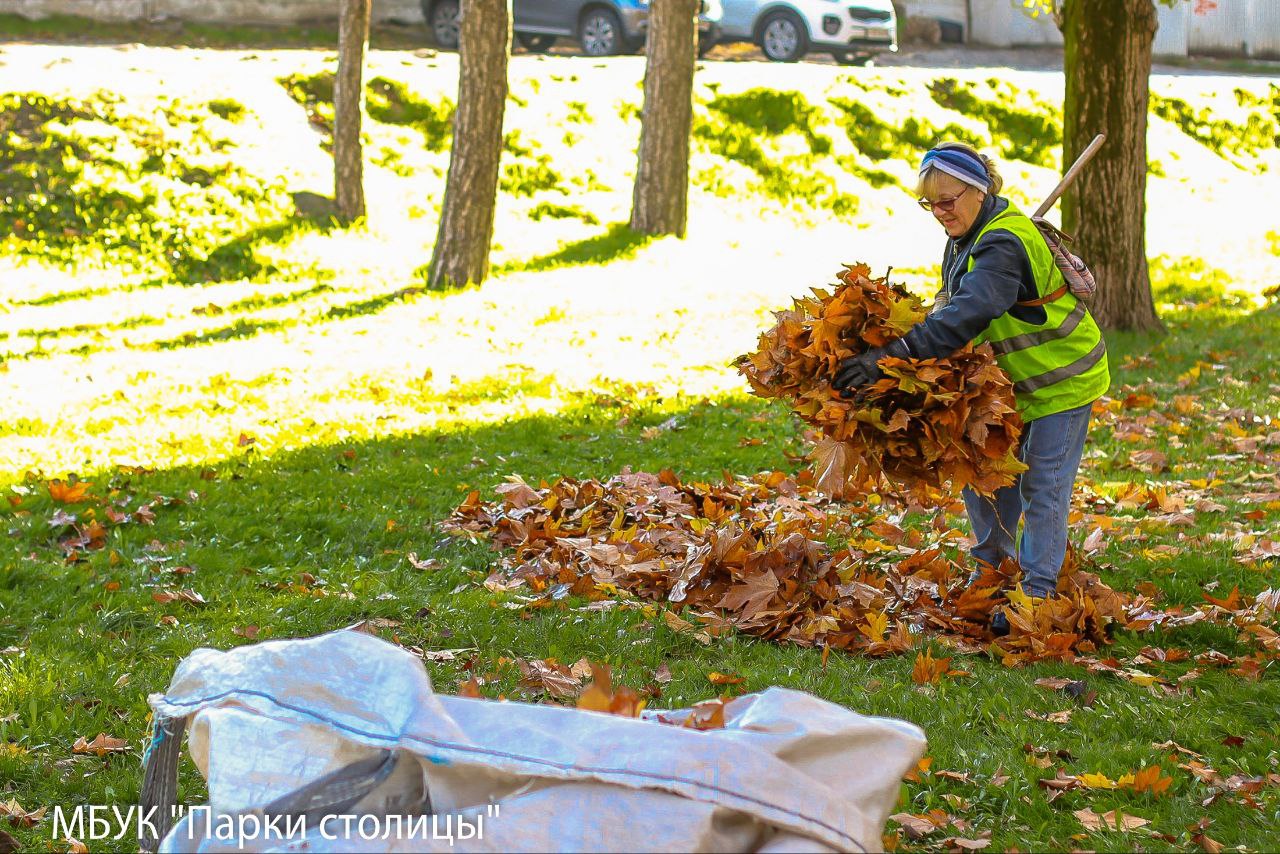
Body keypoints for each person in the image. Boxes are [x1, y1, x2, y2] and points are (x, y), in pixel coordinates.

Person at [832, 141, 1110, 635]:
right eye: (930, 204)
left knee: (1042, 485)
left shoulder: (1002, 243)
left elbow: (970, 312)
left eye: (947, 201)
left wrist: (888, 358)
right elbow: (952, 301)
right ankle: (993, 570)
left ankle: (1039, 594)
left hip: (1060, 381)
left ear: (978, 192)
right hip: (1009, 386)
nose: (939, 213)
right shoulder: (967, 234)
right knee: (985, 473)